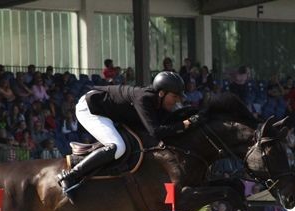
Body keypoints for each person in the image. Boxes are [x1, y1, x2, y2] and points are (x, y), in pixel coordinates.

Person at [56, 71, 201, 196]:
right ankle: (71, 176)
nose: (176, 101)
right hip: (91, 109)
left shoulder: (158, 102)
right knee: (118, 147)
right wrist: (185, 124)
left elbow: (166, 124)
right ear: (162, 93)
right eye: (174, 97)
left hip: (110, 113)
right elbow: (156, 132)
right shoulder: (144, 98)